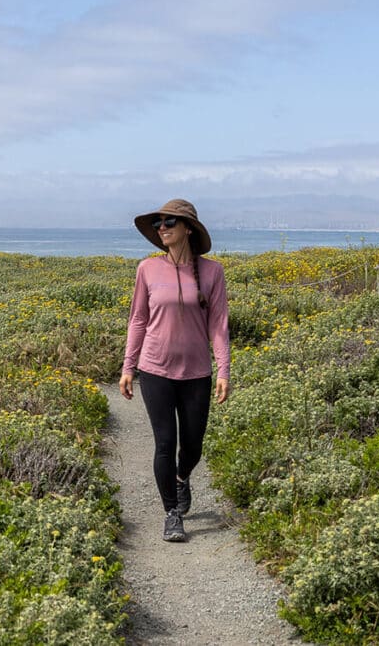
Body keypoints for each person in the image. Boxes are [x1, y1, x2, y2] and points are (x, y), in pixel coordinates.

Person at [118, 199, 231, 543]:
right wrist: (128, 367)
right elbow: (138, 319)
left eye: (169, 222)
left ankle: (183, 478)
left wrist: (223, 370)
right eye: (159, 224)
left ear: (188, 229)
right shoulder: (147, 269)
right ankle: (172, 513)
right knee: (165, 443)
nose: (162, 228)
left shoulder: (212, 272)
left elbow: (219, 324)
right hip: (155, 369)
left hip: (197, 372)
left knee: (192, 445)